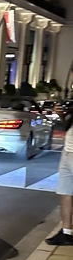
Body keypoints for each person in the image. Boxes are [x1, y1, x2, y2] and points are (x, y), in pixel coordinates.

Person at [46, 104, 73, 245]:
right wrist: (62, 115)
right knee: (65, 193)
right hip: (68, 151)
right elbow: (68, 125)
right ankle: (66, 232)